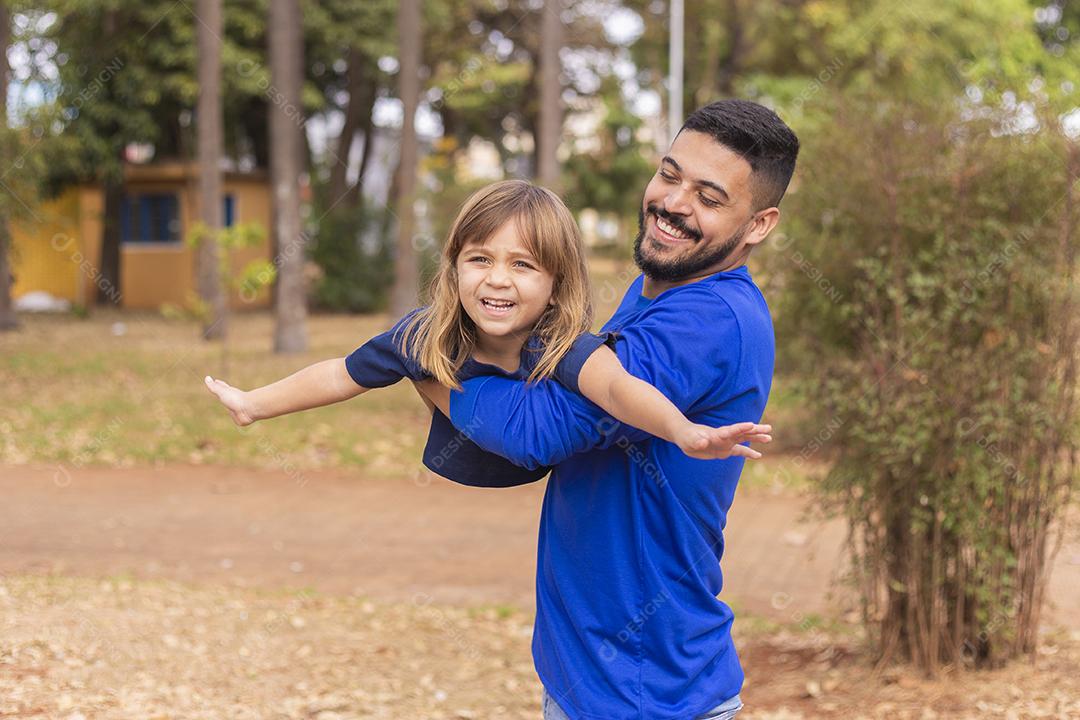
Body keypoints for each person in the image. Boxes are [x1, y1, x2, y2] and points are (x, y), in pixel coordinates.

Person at [412, 99, 800, 720]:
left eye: (709, 196)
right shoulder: (656, 289)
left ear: (758, 225)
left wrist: (421, 355)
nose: (674, 203)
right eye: (670, 175)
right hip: (597, 678)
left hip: (646, 693)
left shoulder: (705, 322)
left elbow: (534, 431)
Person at [203, 180, 772, 488]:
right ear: (453, 267)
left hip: (527, 455)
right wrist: (253, 403)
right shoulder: (422, 335)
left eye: (523, 265)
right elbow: (338, 374)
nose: (497, 280)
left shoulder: (561, 343)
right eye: (480, 259)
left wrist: (683, 431)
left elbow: (620, 390)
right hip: (474, 460)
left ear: (556, 284)